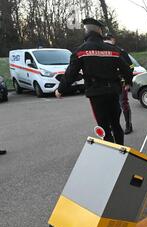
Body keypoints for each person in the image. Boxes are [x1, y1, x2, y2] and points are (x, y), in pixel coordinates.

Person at [56, 18, 133, 146]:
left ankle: (111, 155)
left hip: (96, 94)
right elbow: (127, 68)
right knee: (116, 124)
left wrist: (60, 89)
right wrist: (128, 82)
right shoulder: (113, 50)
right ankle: (121, 150)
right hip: (113, 91)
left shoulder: (81, 51)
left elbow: (70, 73)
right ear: (100, 32)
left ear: (86, 32)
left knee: (104, 128)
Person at [104, 33, 135, 135]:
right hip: (107, 84)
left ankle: (128, 125)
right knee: (110, 105)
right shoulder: (101, 52)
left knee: (123, 103)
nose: (107, 41)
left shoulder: (120, 51)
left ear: (113, 39)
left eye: (108, 39)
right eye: (105, 39)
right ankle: (113, 125)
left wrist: (127, 81)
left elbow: (131, 67)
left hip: (120, 82)